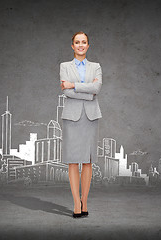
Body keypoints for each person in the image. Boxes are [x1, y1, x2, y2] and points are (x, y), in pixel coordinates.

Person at [60, 31, 102, 218]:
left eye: (83, 42)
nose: (80, 45)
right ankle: (76, 202)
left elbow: (97, 89)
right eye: (77, 42)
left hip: (91, 117)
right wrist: (88, 90)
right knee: (72, 160)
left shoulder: (96, 66)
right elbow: (67, 93)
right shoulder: (64, 66)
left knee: (88, 160)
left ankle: (85, 200)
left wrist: (74, 85)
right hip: (71, 117)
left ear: (88, 45)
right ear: (72, 45)